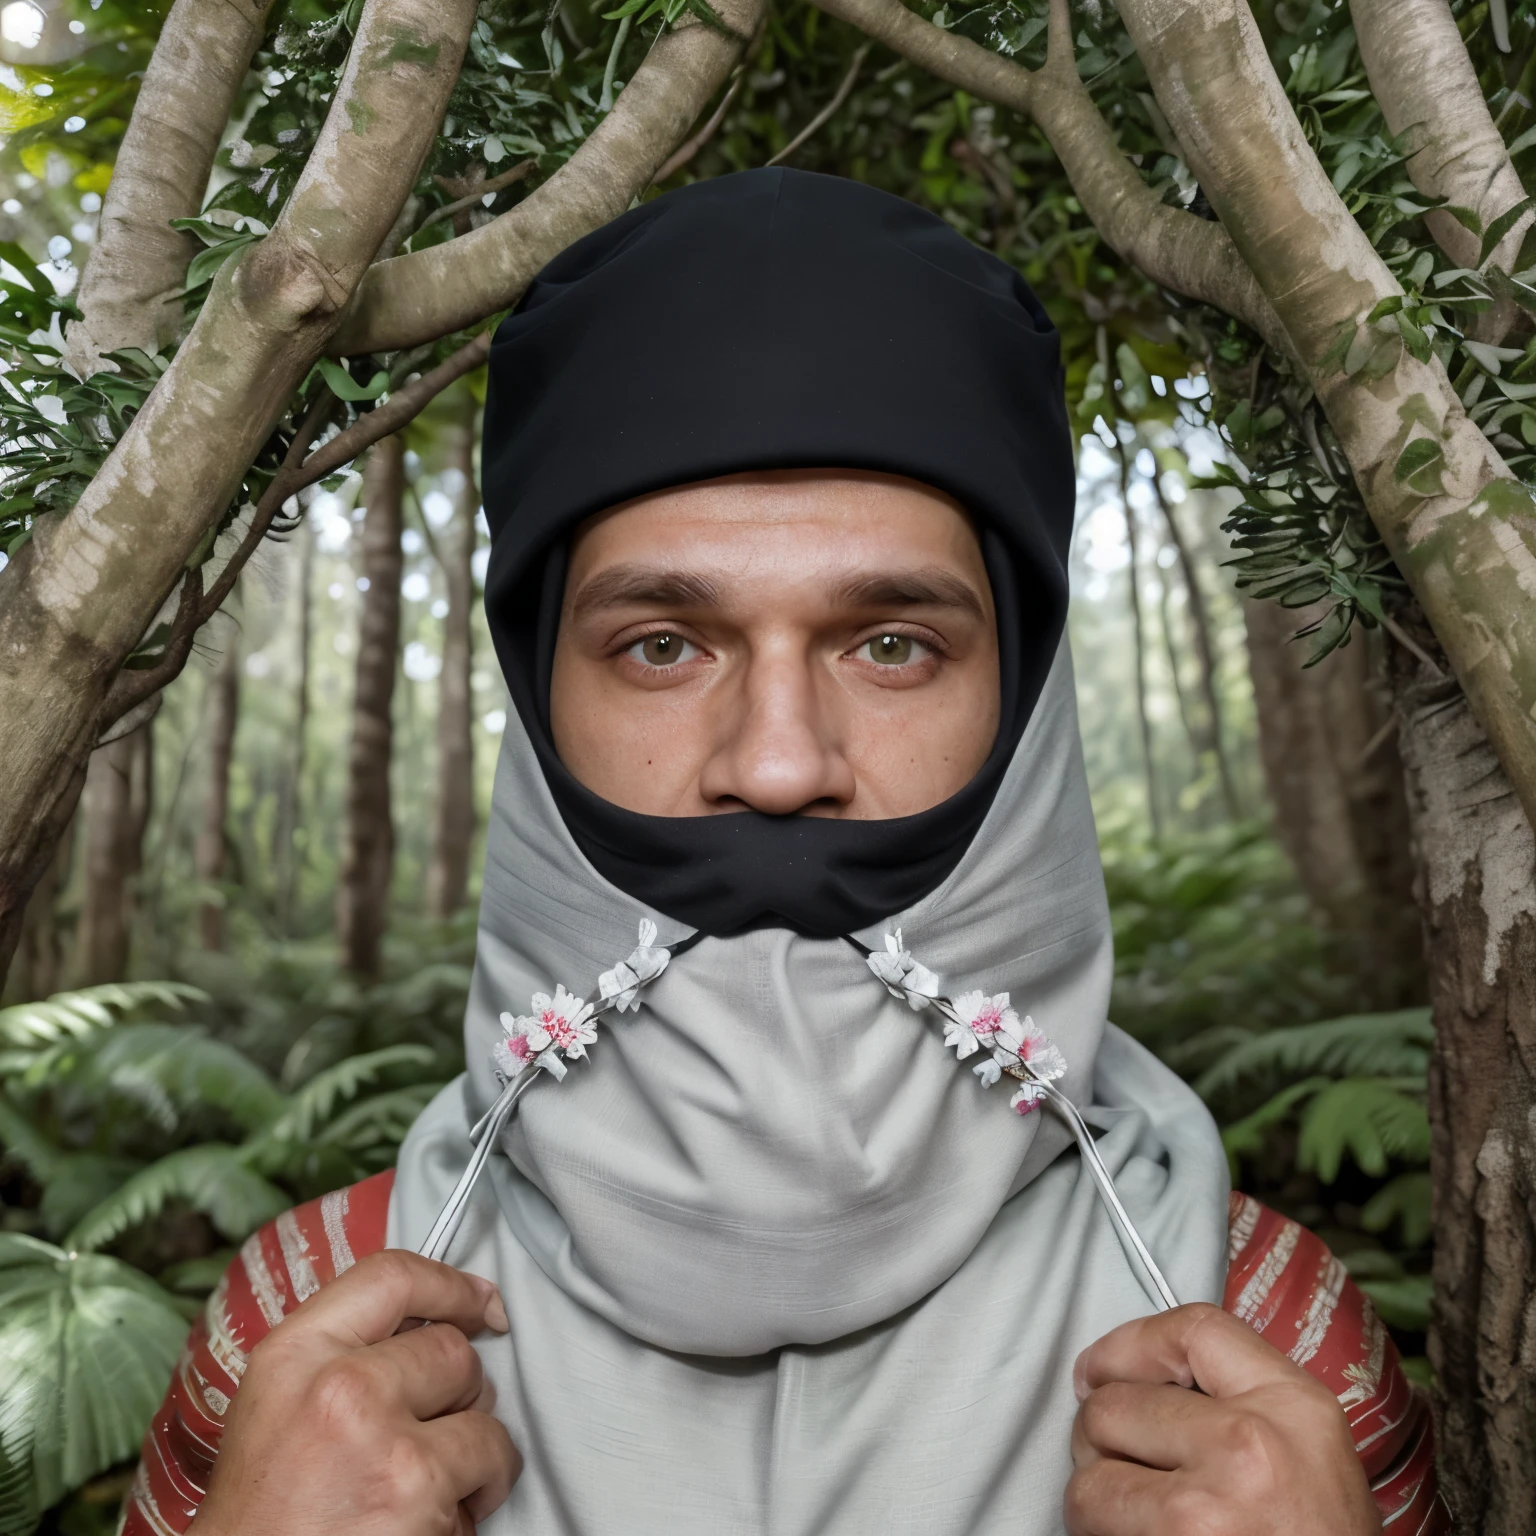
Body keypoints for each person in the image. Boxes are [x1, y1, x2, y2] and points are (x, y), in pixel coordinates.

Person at [126, 170, 1445, 1536]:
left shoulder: (1277, 1375)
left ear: (1026, 708)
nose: (774, 763)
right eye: (661, 645)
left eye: (891, 645)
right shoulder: (300, 1354)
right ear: (533, 702)